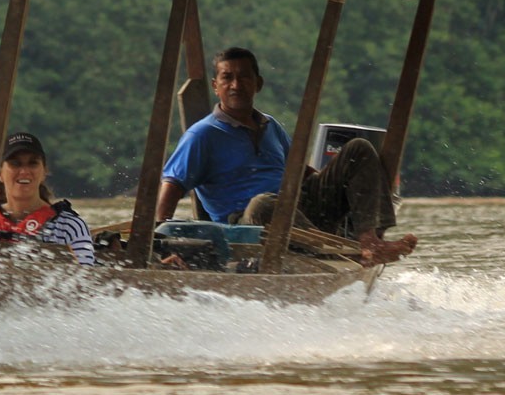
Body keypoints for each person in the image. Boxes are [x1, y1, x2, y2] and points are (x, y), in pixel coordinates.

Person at [154, 47, 414, 265]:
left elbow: (301, 172)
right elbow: (170, 189)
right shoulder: (202, 135)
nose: (236, 85)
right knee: (263, 204)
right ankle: (343, 253)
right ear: (216, 86)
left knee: (358, 148)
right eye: (227, 77)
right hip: (248, 223)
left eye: (244, 77)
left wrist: (343, 185)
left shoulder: (270, 126)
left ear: (258, 83)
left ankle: (370, 243)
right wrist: (160, 246)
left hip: (296, 208)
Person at [0, 133, 95, 264]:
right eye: (15, 163)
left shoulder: (69, 227)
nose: (24, 171)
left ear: (44, 172)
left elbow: (86, 279)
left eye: (32, 163)